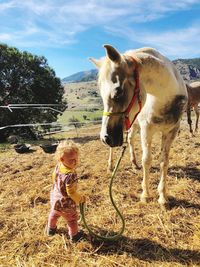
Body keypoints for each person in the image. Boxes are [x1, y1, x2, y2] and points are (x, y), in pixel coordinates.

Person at [47, 140, 86, 242]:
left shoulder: (58, 166)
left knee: (54, 214)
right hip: (65, 204)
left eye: (76, 159)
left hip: (55, 198)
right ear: (62, 159)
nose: (75, 162)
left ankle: (51, 229)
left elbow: (54, 178)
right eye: (72, 159)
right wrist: (80, 199)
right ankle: (75, 236)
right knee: (72, 220)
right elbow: (71, 193)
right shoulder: (70, 175)